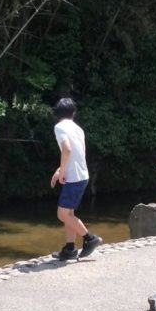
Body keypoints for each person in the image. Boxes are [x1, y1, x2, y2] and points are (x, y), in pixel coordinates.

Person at [50, 98, 103, 260]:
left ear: (57, 113)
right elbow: (77, 154)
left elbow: (66, 150)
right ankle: (70, 248)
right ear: (73, 113)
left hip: (73, 178)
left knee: (62, 214)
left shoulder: (59, 127)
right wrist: (60, 170)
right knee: (69, 213)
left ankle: (90, 238)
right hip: (82, 175)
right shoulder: (78, 129)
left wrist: (62, 172)